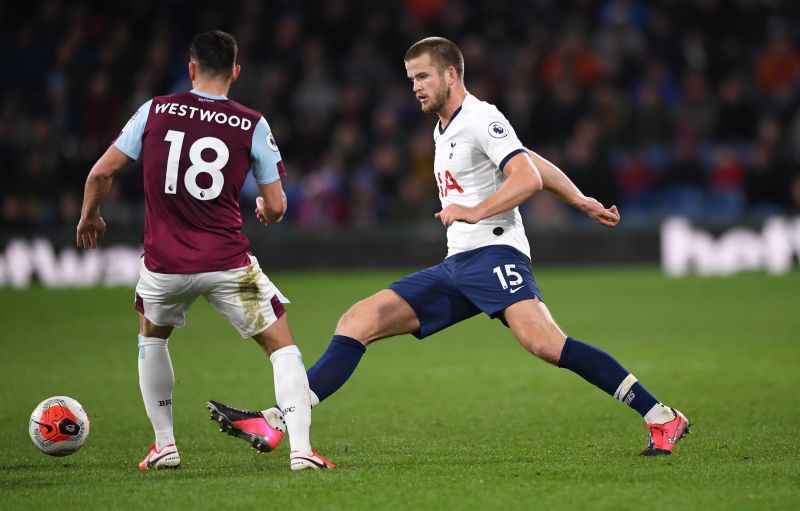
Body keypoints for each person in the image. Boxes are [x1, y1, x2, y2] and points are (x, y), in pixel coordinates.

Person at [210, 36, 690, 458]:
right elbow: (533, 160)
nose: (415, 86)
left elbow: (522, 175)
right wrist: (580, 198)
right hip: (458, 263)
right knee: (359, 320)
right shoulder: (445, 126)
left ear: (451, 74)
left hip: (496, 253)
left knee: (546, 343)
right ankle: (279, 422)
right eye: (410, 79)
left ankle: (661, 415)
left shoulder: (480, 117)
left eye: (422, 76)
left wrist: (475, 211)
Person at [76, 30, 333, 471]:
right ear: (235, 72)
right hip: (229, 264)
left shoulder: (154, 110)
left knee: (151, 338)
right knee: (281, 347)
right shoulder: (252, 122)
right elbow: (275, 205)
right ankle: (301, 452)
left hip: (163, 266)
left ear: (191, 68)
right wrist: (268, 214)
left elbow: (100, 175)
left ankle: (164, 445)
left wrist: (89, 217)